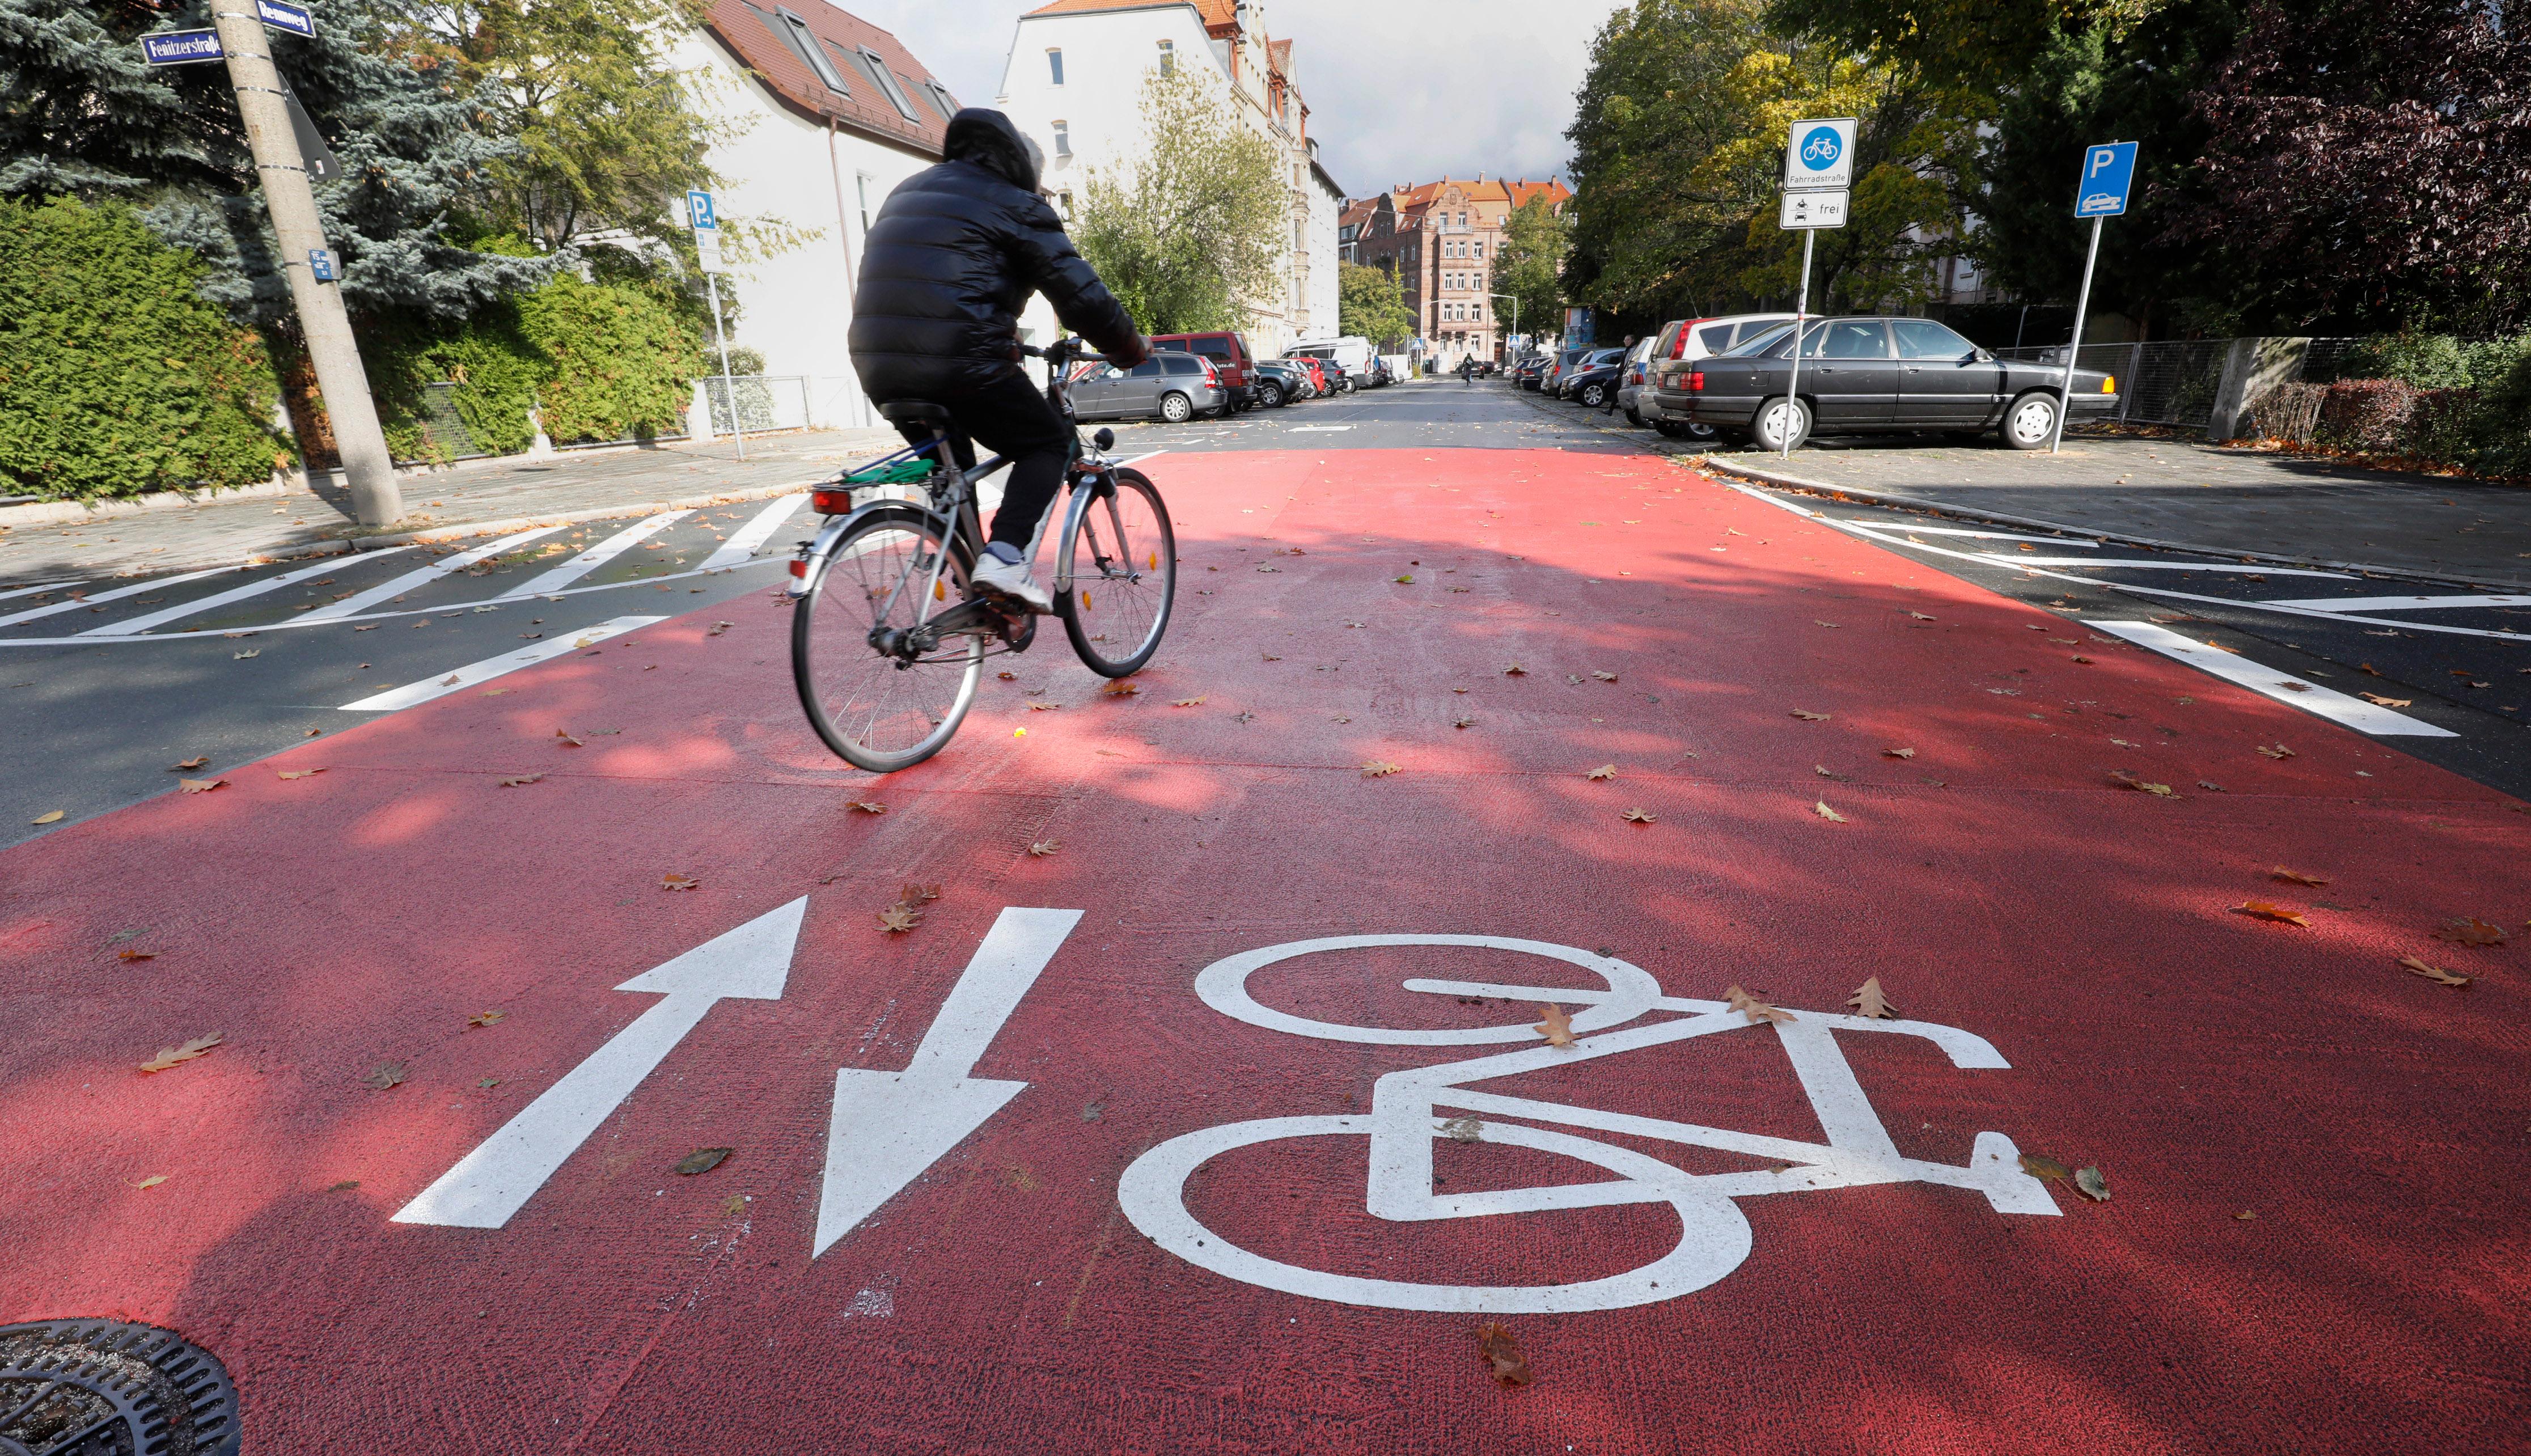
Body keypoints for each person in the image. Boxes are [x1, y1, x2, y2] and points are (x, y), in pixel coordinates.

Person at [848, 109, 1148, 612]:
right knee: (1048, 443)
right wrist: (1128, 348)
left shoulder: (909, 190)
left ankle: (970, 582)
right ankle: (1004, 559)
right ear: (1027, 173)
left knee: (954, 468)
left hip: (878, 364)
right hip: (960, 361)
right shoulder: (1015, 204)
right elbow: (1081, 296)